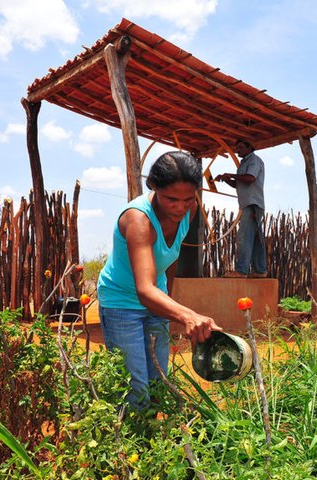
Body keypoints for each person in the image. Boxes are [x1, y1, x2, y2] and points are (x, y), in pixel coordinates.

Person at [97, 151, 222, 410]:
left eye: (188, 198)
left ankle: (152, 432)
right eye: (171, 199)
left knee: (158, 381)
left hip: (156, 300)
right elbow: (144, 290)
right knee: (134, 388)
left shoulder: (190, 211)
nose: (180, 207)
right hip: (121, 303)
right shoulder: (138, 219)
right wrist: (187, 315)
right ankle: (128, 434)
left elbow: (170, 258)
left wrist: (168, 304)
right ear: (154, 186)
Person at [214, 139, 267, 278]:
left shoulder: (254, 160)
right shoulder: (244, 163)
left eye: (241, 147)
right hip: (250, 204)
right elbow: (239, 184)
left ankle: (241, 271)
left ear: (250, 147)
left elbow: (250, 178)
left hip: (252, 204)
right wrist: (226, 179)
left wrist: (231, 175)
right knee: (256, 239)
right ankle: (260, 271)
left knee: (244, 237)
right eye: (237, 147)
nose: (238, 150)